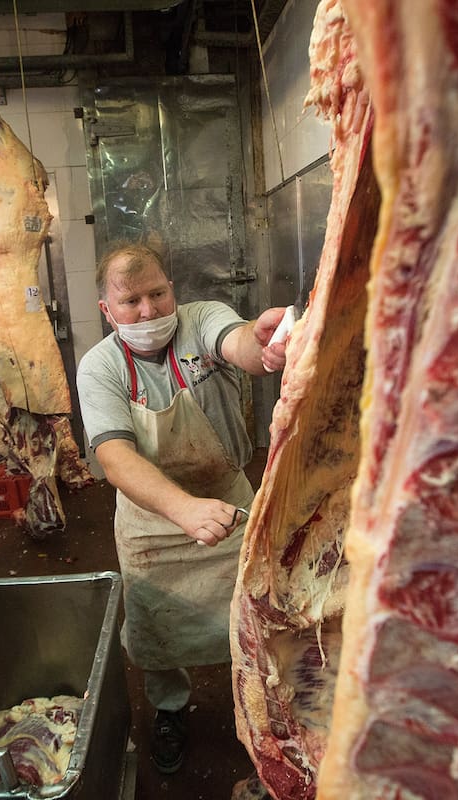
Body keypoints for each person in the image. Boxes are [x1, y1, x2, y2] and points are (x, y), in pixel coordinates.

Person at [75, 243, 289, 774]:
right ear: (108, 310)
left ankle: (266, 715)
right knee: (157, 629)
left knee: (259, 615)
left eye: (158, 293)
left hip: (231, 501)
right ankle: (170, 711)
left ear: (173, 288)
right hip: (152, 522)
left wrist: (260, 343)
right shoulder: (100, 367)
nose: (149, 311)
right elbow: (114, 457)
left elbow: (236, 341)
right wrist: (184, 510)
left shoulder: (199, 321)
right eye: (131, 302)